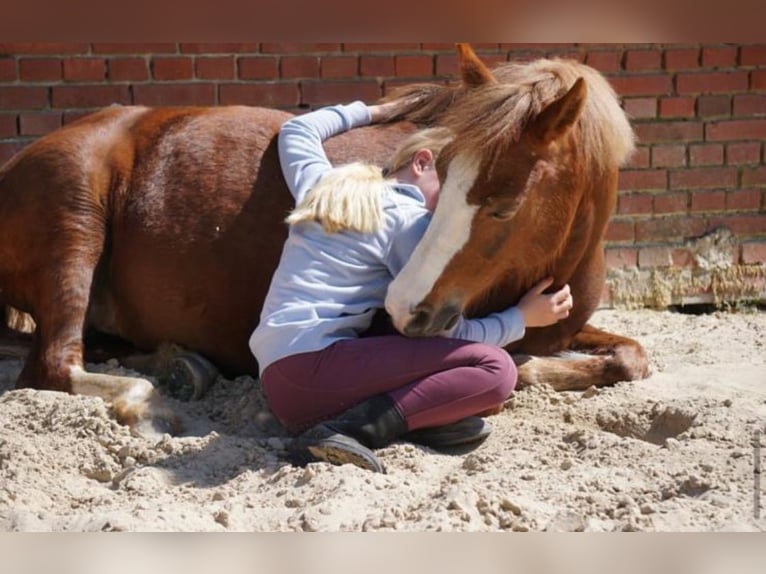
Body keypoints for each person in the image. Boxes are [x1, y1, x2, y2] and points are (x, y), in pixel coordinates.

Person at [249, 99, 574, 473]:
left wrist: (379, 111)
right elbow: (455, 335)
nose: (448, 206)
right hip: (318, 370)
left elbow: (298, 130)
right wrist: (521, 318)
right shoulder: (412, 224)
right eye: (449, 185)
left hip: (276, 373)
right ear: (422, 163)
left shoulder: (324, 186)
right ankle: (354, 430)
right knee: (496, 371)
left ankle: (416, 419)